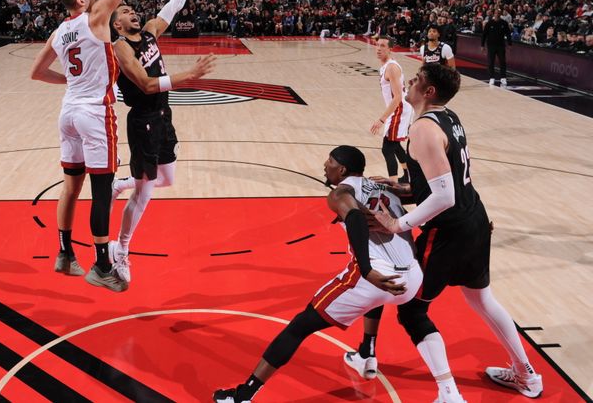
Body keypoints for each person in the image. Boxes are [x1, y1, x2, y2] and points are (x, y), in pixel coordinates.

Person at [372, 64, 543, 400]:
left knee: (411, 309)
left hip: (448, 231)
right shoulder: (449, 116)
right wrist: (401, 186)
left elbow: (444, 195)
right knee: (481, 299)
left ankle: (448, 393)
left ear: (429, 91)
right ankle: (527, 376)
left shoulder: (422, 128)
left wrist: (397, 223)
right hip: (475, 219)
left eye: (417, 79)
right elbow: (446, 179)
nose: (410, 82)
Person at [213, 146, 422, 403]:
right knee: (374, 297)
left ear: (342, 170)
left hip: (377, 277)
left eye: (330, 161)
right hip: (412, 277)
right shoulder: (386, 187)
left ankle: (242, 396)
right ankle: (367, 352)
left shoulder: (340, 193)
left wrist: (366, 270)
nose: (325, 165)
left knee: (299, 326)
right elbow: (426, 194)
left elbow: (355, 216)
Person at [30, 0, 152, 293]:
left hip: (68, 111)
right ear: (81, 2)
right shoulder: (95, 18)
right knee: (102, 189)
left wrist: (70, 81)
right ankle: (101, 266)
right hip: (94, 114)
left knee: (71, 187)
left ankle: (65, 254)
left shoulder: (59, 31)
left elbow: (35, 72)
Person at [107, 0, 217, 282]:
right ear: (117, 25)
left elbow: (174, 4)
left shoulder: (150, 33)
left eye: (131, 9)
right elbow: (146, 84)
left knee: (166, 180)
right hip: (142, 121)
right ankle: (122, 250)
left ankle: (120, 184)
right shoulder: (121, 48)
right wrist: (190, 75)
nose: (132, 13)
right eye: (125, 11)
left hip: (163, 117)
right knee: (145, 194)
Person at [370, 36, 412, 184]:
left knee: (387, 148)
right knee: (394, 145)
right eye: (377, 45)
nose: (379, 48)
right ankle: (409, 175)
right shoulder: (385, 66)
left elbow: (398, 97)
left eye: (383, 46)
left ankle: (393, 185)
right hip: (397, 108)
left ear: (390, 49)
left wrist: (381, 119)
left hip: (399, 108)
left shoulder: (392, 67)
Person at [481, 10, 512, 87]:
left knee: (502, 62)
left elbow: (508, 33)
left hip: (501, 45)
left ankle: (503, 77)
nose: (497, 14)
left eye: (498, 13)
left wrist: (509, 43)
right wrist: (482, 45)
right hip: (491, 46)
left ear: (500, 14)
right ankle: (492, 78)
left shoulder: (504, 23)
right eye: (495, 13)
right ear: (493, 14)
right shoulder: (489, 23)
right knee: (491, 62)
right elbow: (484, 34)